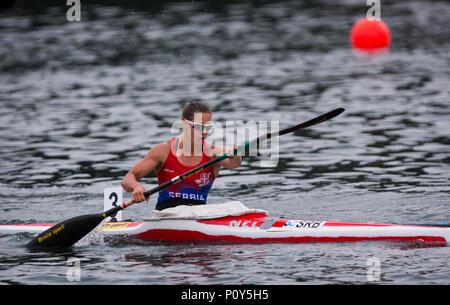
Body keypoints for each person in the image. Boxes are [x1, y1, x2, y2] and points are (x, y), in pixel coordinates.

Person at [121, 101, 242, 211]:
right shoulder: (162, 151)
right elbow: (128, 178)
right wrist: (136, 187)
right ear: (184, 122)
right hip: (165, 217)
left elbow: (233, 164)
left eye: (208, 127)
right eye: (199, 126)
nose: (205, 131)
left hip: (198, 215)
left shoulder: (214, 152)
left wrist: (235, 155)